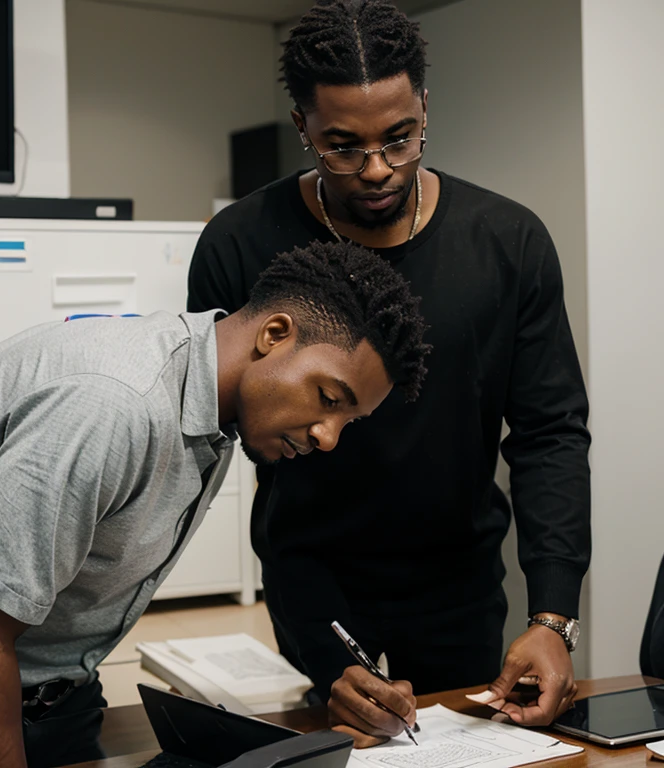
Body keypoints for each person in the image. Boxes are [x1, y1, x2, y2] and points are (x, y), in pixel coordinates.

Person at [187, 0, 590, 749]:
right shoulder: (238, 243)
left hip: (460, 584)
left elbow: (550, 435)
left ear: (426, 107)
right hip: (315, 581)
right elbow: (214, 421)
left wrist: (552, 616)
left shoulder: (509, 241)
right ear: (302, 124)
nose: (376, 169)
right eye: (341, 145)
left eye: (400, 139)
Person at [0, 240, 429, 768]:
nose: (329, 437)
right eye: (329, 399)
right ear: (275, 334)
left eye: (349, 421)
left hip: (52, 698)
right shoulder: (114, 403)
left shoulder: (213, 405)